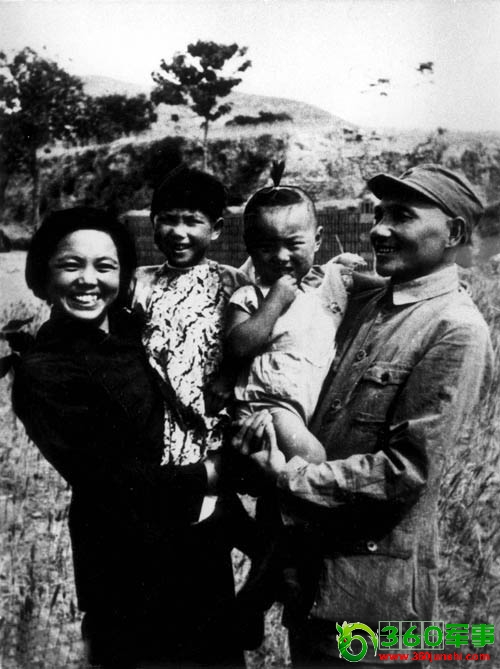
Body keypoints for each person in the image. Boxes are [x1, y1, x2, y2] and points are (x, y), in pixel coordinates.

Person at [232, 164, 493, 667]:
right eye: (379, 214)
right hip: (309, 583)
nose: (379, 230)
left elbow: (406, 472)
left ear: (454, 233)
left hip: (374, 602)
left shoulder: (455, 329)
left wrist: (286, 478)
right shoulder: (362, 300)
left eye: (402, 216)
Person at [11, 207, 246, 668]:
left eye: (105, 266)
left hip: (199, 551)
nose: (88, 279)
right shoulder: (45, 371)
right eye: (71, 264)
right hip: (125, 573)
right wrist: (211, 474)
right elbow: (111, 483)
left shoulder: (138, 333)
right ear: (44, 275)